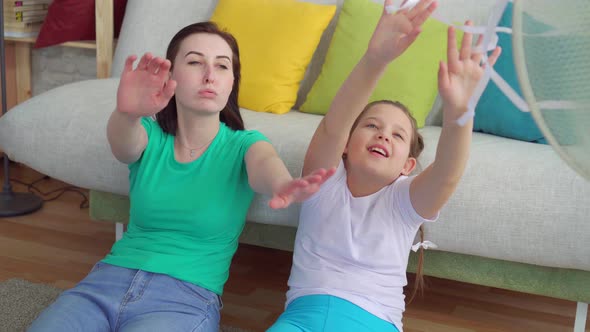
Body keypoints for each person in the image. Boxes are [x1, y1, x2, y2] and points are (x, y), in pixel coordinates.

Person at [28, 22, 335, 332]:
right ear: (171, 75)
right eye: (195, 61)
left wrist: (284, 185)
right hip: (104, 283)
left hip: (184, 297)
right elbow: (123, 145)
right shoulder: (149, 136)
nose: (209, 74)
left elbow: (265, 166)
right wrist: (127, 113)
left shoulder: (245, 145)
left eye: (222, 66)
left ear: (232, 83)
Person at [266, 0, 502, 331]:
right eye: (372, 126)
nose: (383, 136)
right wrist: (375, 58)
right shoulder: (322, 181)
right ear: (346, 145)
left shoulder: (404, 203)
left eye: (397, 134)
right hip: (302, 318)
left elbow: (447, 174)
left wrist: (459, 115)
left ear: (408, 165)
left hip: (372, 322)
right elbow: (334, 126)